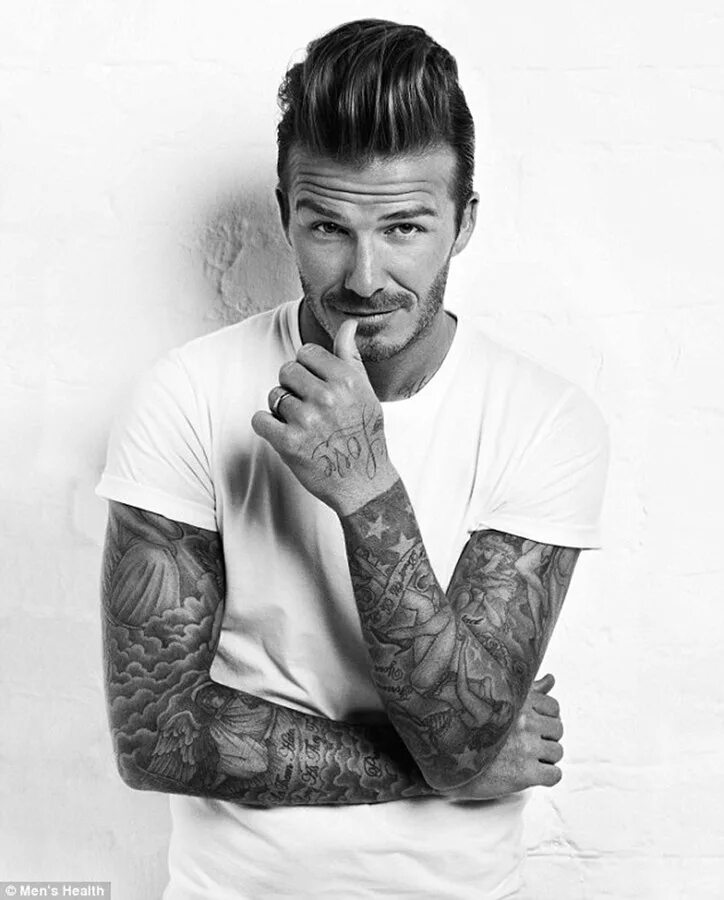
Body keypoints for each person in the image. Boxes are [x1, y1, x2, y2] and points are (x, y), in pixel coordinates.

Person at [97, 18, 609, 900]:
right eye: (329, 227)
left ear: (464, 223)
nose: (365, 276)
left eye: (405, 227)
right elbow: (156, 739)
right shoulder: (186, 394)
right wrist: (442, 774)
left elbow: (458, 738)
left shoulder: (544, 420)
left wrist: (367, 489)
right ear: (285, 217)